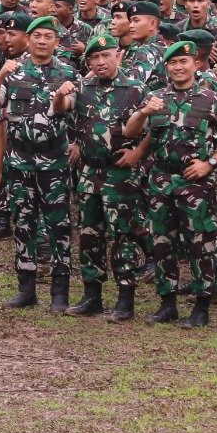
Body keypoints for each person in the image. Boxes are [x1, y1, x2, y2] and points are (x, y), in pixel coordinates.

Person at [125, 39, 217, 328]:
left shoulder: (210, 98)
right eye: (173, 63)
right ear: (166, 67)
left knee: (200, 242)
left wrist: (210, 163)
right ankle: (167, 303)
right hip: (161, 179)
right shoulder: (156, 97)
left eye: (183, 62)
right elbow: (132, 131)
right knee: (162, 241)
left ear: (196, 65)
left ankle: (202, 304)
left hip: (195, 180)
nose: (178, 67)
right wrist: (143, 112)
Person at [0, 16, 78, 311]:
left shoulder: (67, 73)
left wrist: (61, 96)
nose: (41, 41)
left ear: (56, 42)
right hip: (21, 161)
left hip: (54, 161)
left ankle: (59, 292)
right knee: (23, 223)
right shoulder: (13, 72)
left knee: (59, 225)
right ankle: (26, 288)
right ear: (27, 39)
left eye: (48, 36)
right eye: (36, 35)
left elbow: (65, 108)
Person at [68, 33, 149, 322]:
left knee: (122, 236)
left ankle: (125, 298)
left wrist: (139, 152)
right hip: (89, 173)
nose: (101, 61)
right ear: (88, 61)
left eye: (106, 55)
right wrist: (76, 142)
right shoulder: (81, 88)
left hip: (120, 174)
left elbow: (157, 125)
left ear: (119, 55)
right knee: (89, 234)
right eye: (94, 57)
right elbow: (70, 119)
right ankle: (92, 295)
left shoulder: (136, 89)